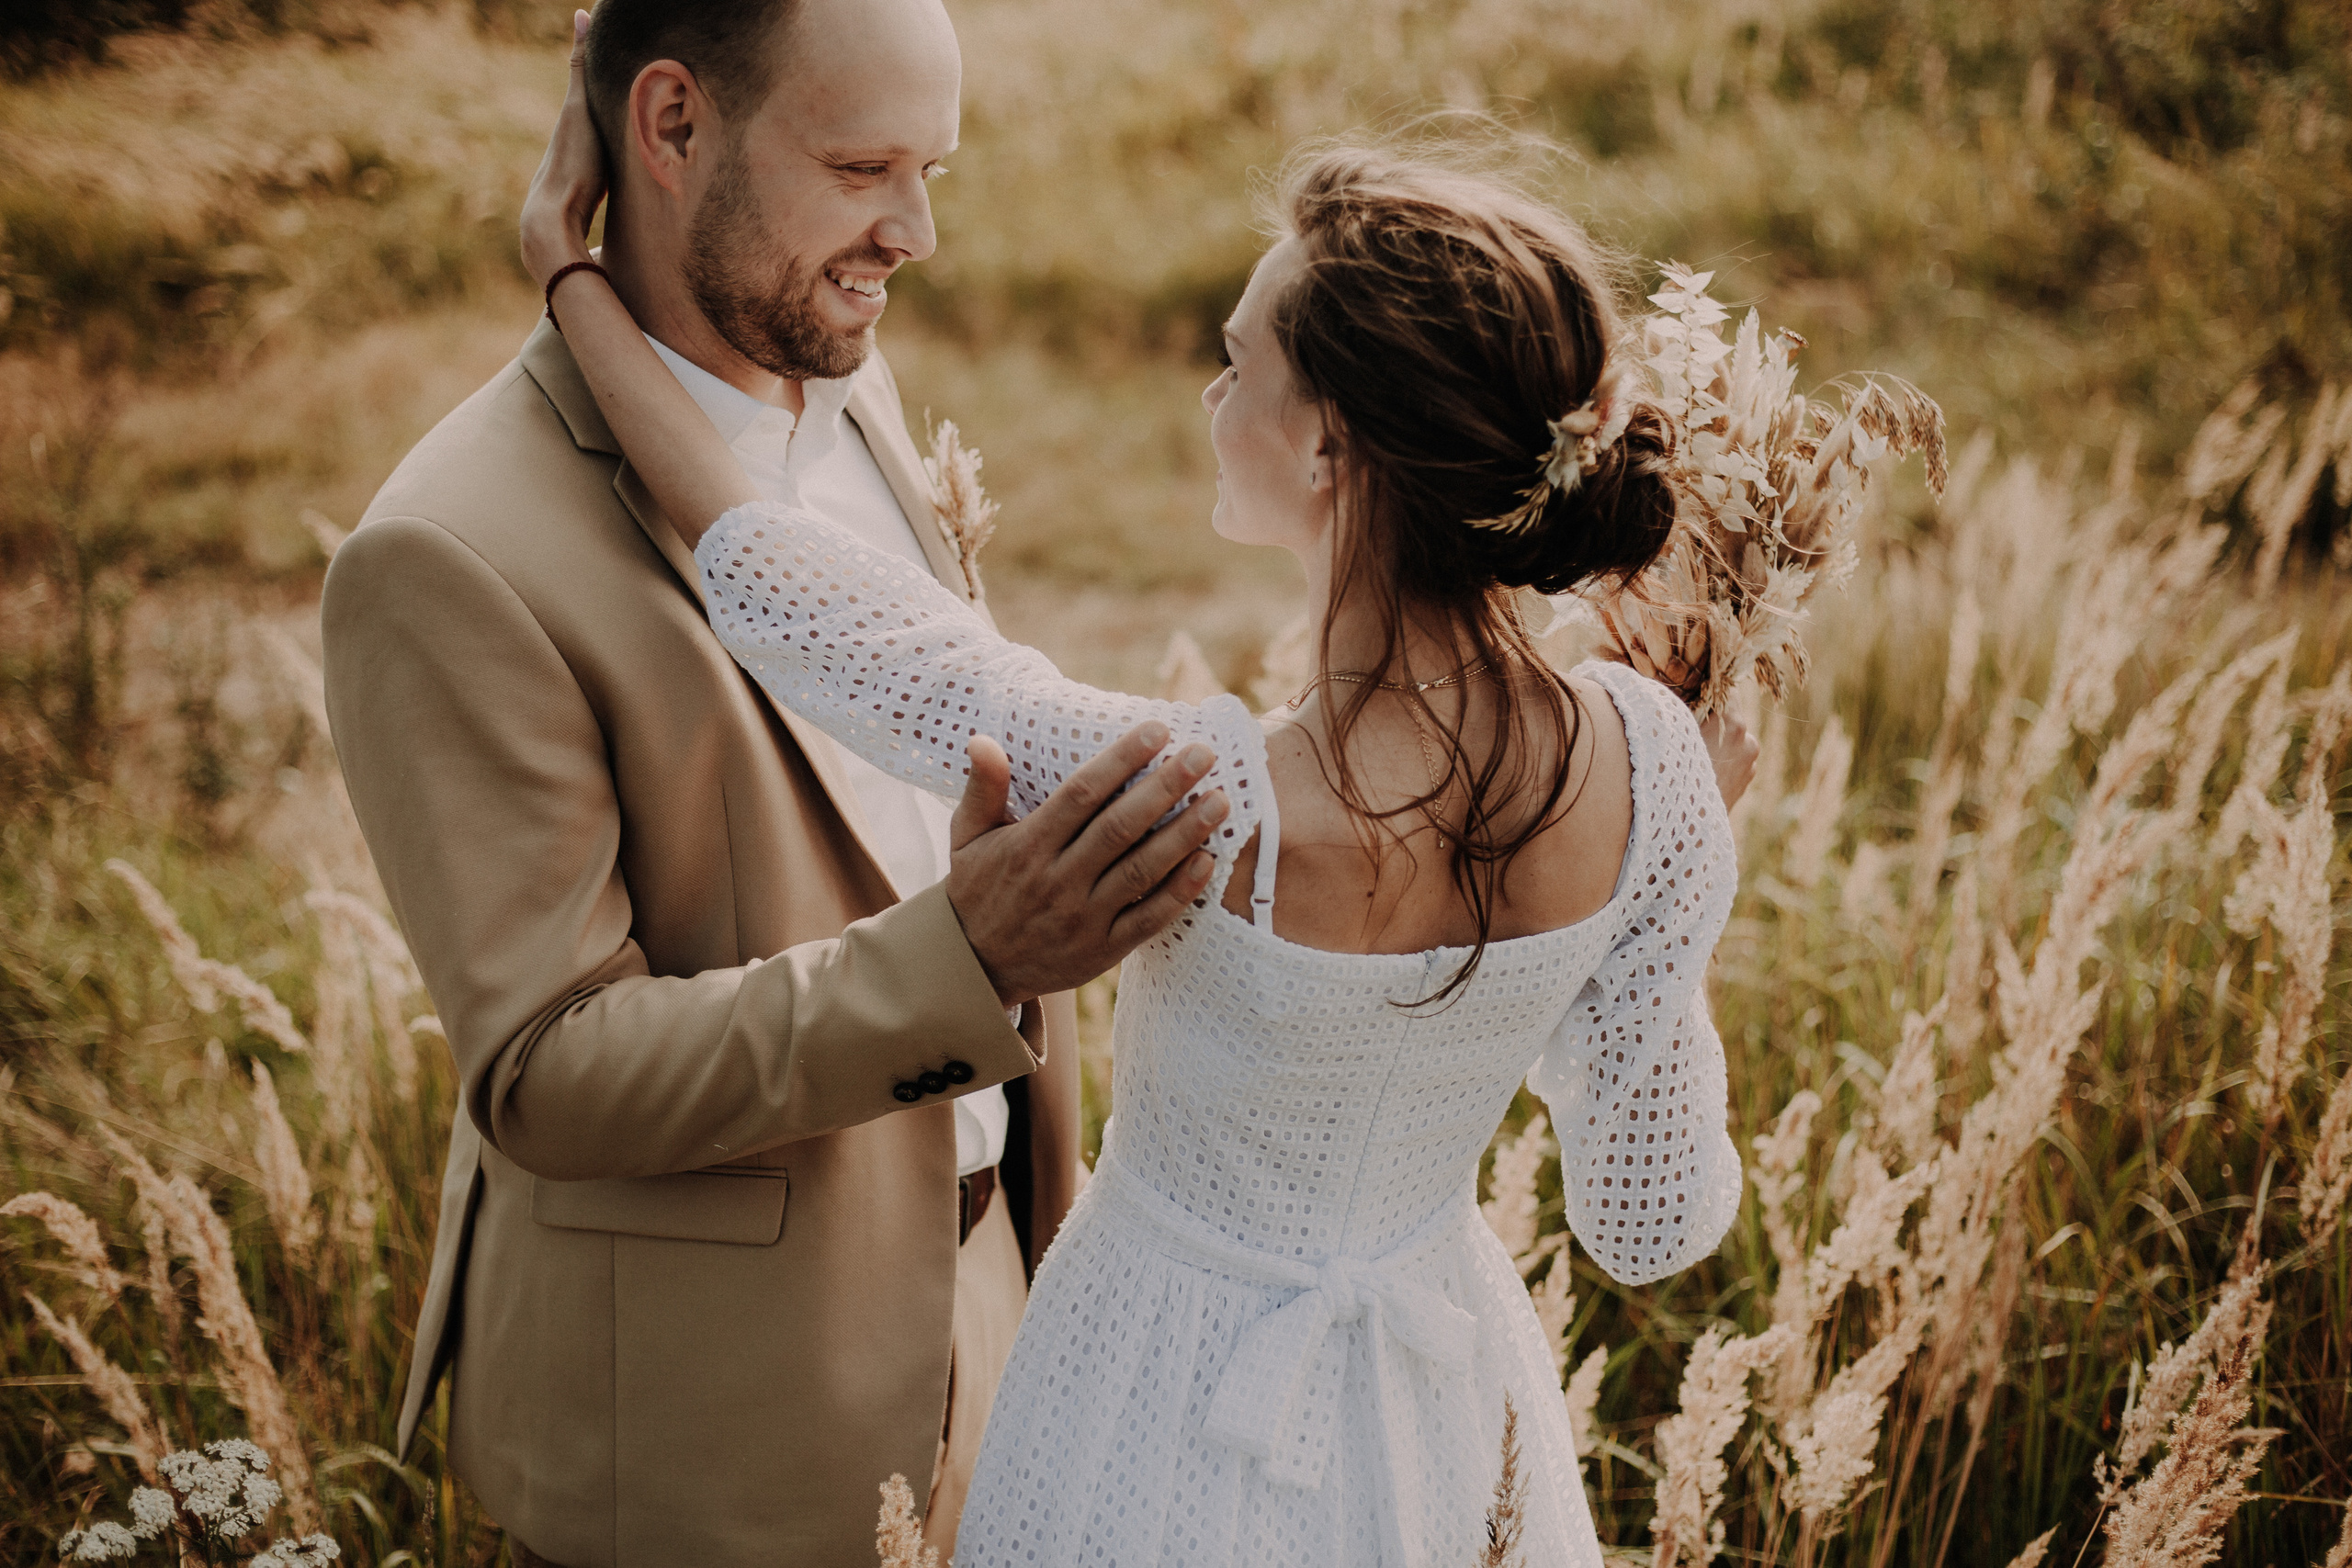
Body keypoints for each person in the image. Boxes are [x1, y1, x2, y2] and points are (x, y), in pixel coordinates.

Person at [523, 12, 1763, 1563]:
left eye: (1236, 366)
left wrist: (565, 272)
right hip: (1451, 1431)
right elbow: (1650, 1224)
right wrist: (1678, 885)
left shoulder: (1198, 801)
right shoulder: (1654, 771)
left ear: (1328, 448)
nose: (1208, 401)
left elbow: (786, 592)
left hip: (1148, 1410)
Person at [317, 0, 1237, 1561]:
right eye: (865, 167)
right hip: (712, 1436)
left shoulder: (851, 391)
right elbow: (547, 1069)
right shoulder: (448, 552)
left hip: (996, 1340)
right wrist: (972, 958)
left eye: (934, 170)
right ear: (672, 126)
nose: (917, 234)